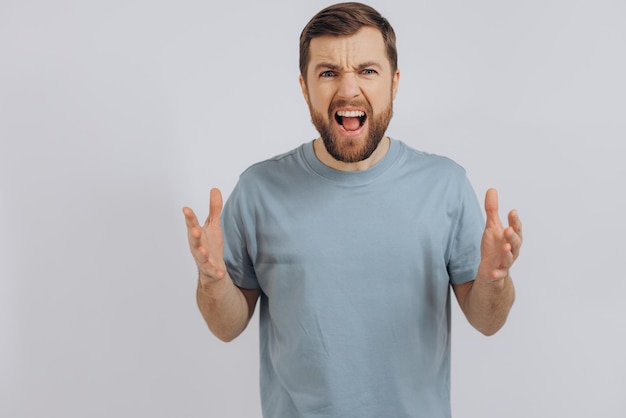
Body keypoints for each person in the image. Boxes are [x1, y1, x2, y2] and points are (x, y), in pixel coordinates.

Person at [183, 2, 522, 417]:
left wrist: (493, 281)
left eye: (367, 70)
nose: (348, 90)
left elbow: (488, 321)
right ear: (305, 88)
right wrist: (211, 282)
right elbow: (226, 327)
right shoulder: (259, 190)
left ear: (394, 83)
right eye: (328, 73)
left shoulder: (445, 185)